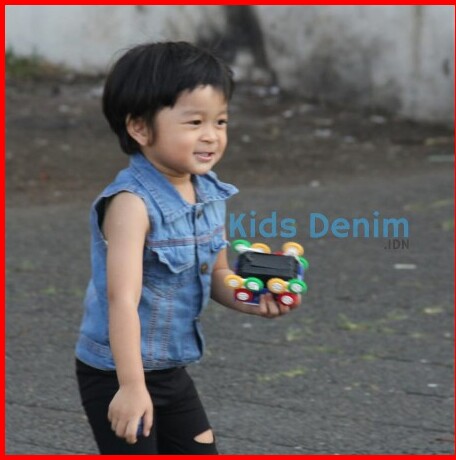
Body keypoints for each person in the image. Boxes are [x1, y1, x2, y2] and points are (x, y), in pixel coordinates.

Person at [75, 41, 299, 455]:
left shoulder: (210, 194)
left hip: (169, 368)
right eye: (195, 122)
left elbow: (217, 274)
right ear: (140, 128)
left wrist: (253, 299)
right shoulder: (131, 205)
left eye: (221, 121)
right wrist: (131, 387)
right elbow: (122, 300)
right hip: (117, 372)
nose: (211, 135)